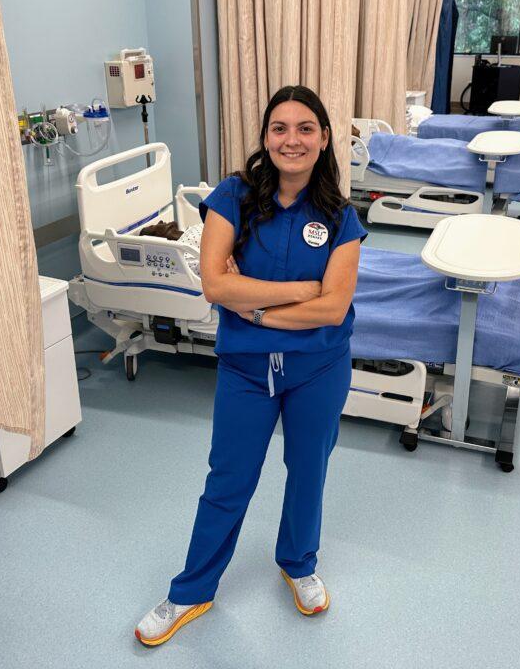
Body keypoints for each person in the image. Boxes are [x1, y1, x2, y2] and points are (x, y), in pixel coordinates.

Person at [135, 85, 366, 647]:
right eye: (280, 128)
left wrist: (254, 306)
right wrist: (294, 294)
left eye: (305, 128)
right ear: (265, 137)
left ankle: (298, 563)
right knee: (228, 480)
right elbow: (215, 284)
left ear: (324, 138)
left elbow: (333, 306)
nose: (292, 139)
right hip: (245, 371)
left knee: (308, 472)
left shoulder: (339, 215)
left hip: (319, 367)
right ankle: (191, 590)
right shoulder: (234, 195)